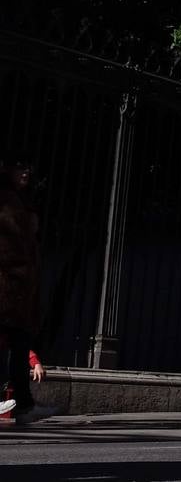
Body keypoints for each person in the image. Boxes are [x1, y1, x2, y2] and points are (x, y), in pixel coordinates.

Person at [0, 160, 55, 425]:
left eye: (29, 168)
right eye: (19, 166)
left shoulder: (21, 201)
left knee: (18, 342)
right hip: (9, 286)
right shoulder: (7, 201)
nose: (26, 172)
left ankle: (23, 403)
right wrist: (18, 271)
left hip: (17, 289)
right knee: (14, 341)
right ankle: (21, 403)